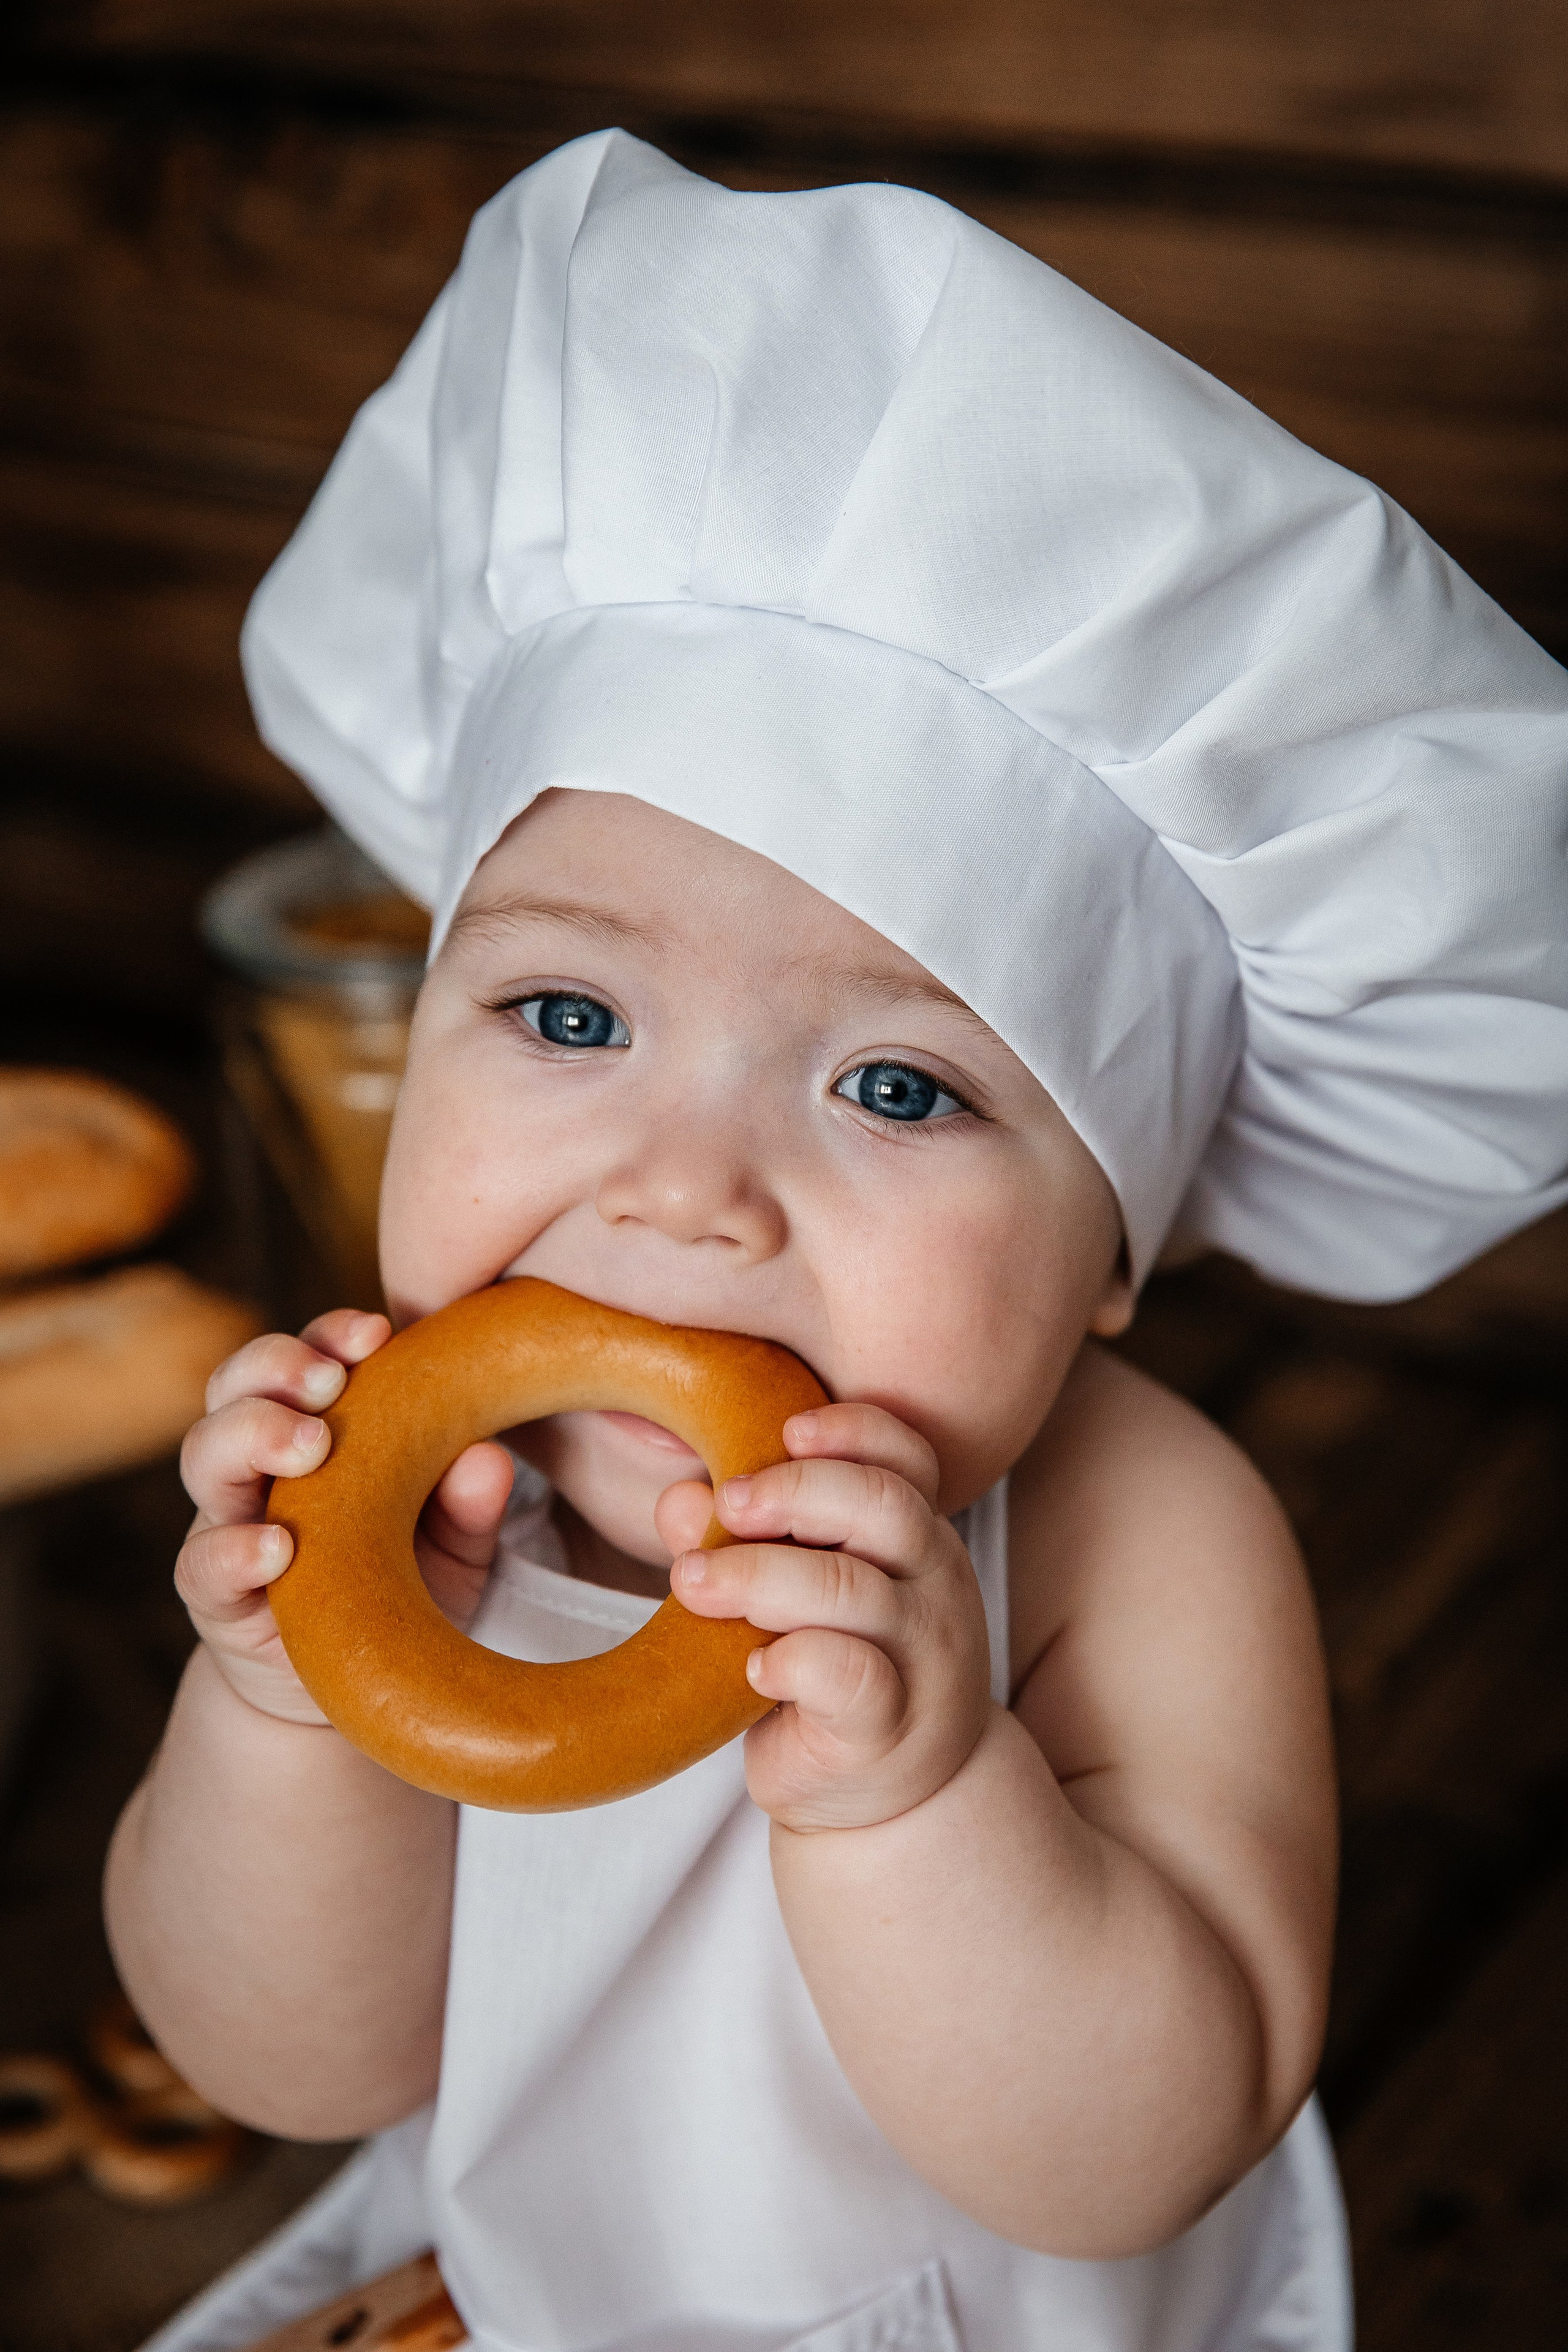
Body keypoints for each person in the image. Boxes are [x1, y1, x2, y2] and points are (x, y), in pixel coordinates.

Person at [105, 131, 1567, 2352]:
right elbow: (294, 2067)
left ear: (1110, 1250)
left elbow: (1140, 2153)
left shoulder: (1136, 1536)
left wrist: (921, 1789)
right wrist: (280, 1708)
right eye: (569, 1014)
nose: (683, 1194)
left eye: (900, 1087)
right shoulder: (388, 1498)